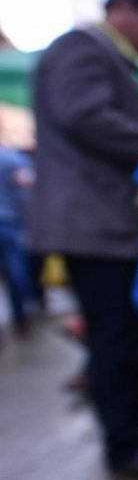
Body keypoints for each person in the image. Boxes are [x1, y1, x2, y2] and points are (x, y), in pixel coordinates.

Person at [31, 0, 138, 476]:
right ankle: (128, 445)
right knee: (114, 337)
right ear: (124, 10)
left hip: (109, 224)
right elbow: (87, 115)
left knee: (130, 334)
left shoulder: (102, 56)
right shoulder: (80, 48)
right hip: (95, 224)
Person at [0, 146, 36, 341]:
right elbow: (27, 189)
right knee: (16, 272)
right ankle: (21, 316)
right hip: (8, 223)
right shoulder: (12, 158)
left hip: (8, 222)